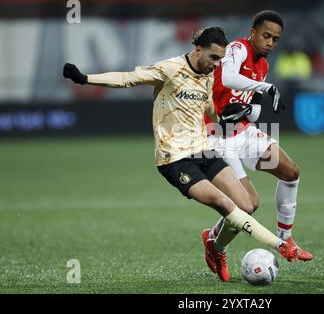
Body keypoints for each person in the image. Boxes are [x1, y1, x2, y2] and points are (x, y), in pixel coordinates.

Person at [62, 26, 303, 282]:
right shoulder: (170, 69)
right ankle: (279, 244)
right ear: (198, 49)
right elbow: (127, 78)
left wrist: (228, 115)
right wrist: (85, 78)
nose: (216, 65)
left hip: (204, 150)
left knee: (246, 205)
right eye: (212, 58)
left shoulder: (208, 77)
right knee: (227, 206)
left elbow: (209, 110)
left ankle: (214, 247)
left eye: (220, 60)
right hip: (175, 159)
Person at [202, 11, 313, 282]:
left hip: (242, 132)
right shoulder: (237, 49)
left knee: (290, 171)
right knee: (248, 205)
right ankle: (215, 243)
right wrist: (266, 88)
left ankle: (286, 240)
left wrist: (248, 108)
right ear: (252, 32)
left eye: (276, 39)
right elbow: (227, 79)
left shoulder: (261, 65)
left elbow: (249, 110)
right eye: (266, 36)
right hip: (215, 137)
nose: (271, 43)